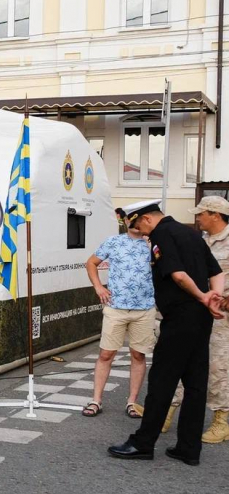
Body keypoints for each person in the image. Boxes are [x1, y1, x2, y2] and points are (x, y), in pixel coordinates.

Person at [108, 202, 225, 466]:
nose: (142, 233)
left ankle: (142, 443)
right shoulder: (192, 234)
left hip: (181, 317)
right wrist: (213, 297)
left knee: (162, 380)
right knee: (195, 383)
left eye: (139, 226)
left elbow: (178, 275)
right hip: (201, 319)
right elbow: (216, 272)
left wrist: (202, 297)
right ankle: (188, 447)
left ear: (147, 219)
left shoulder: (161, 234)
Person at [164, 197, 229, 442]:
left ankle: (221, 421)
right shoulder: (200, 241)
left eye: (201, 214)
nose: (197, 218)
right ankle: (166, 412)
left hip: (222, 316)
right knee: (183, 359)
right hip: (196, 310)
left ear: (215, 215)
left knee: (218, 367)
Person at [83, 210, 156, 418]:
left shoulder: (154, 244)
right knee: (106, 354)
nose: (134, 223)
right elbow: (91, 263)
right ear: (124, 221)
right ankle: (96, 400)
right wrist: (98, 287)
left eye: (138, 218)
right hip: (116, 307)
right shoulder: (113, 241)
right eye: (130, 218)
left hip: (145, 308)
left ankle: (132, 402)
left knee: (138, 355)